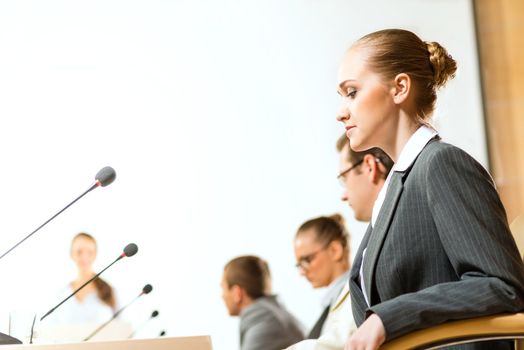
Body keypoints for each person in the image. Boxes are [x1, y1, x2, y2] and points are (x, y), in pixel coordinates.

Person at [335, 28, 524, 350]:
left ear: (400, 88)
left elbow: (503, 285)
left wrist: (388, 317)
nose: (341, 112)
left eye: (351, 92)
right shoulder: (398, 184)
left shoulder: (441, 164)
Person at [286, 141, 392, 350]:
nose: (343, 195)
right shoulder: (374, 239)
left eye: (345, 178)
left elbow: (341, 340)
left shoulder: (384, 247)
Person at [221, 255, 304, 350]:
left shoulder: (262, 316)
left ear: (237, 292)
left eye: (223, 288)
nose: (222, 296)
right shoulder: (274, 311)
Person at [48, 233, 117, 324]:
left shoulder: (110, 291)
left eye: (90, 252)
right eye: (79, 252)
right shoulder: (61, 294)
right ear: (71, 254)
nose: (84, 257)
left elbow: (123, 329)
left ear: (95, 254)